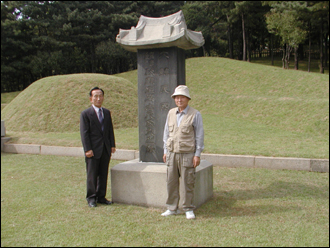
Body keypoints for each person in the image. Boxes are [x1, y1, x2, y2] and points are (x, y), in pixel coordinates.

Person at [161, 85, 204, 219]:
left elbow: (199, 136)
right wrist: (165, 151)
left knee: (188, 182)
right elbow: (166, 133)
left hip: (187, 153)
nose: (179, 100)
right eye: (177, 97)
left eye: (182, 97)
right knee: (171, 182)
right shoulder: (170, 113)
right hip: (172, 153)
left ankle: (188, 208)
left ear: (187, 99)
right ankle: (172, 208)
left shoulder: (195, 114)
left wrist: (197, 154)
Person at [80, 87, 116, 207]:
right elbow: (84, 133)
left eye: (100, 96)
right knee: (92, 175)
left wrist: (112, 145)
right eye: (95, 96)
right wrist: (87, 149)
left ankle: (101, 197)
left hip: (105, 148)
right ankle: (91, 198)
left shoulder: (106, 112)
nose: (98, 98)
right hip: (93, 150)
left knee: (103, 173)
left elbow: (110, 130)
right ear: (91, 99)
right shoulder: (86, 114)